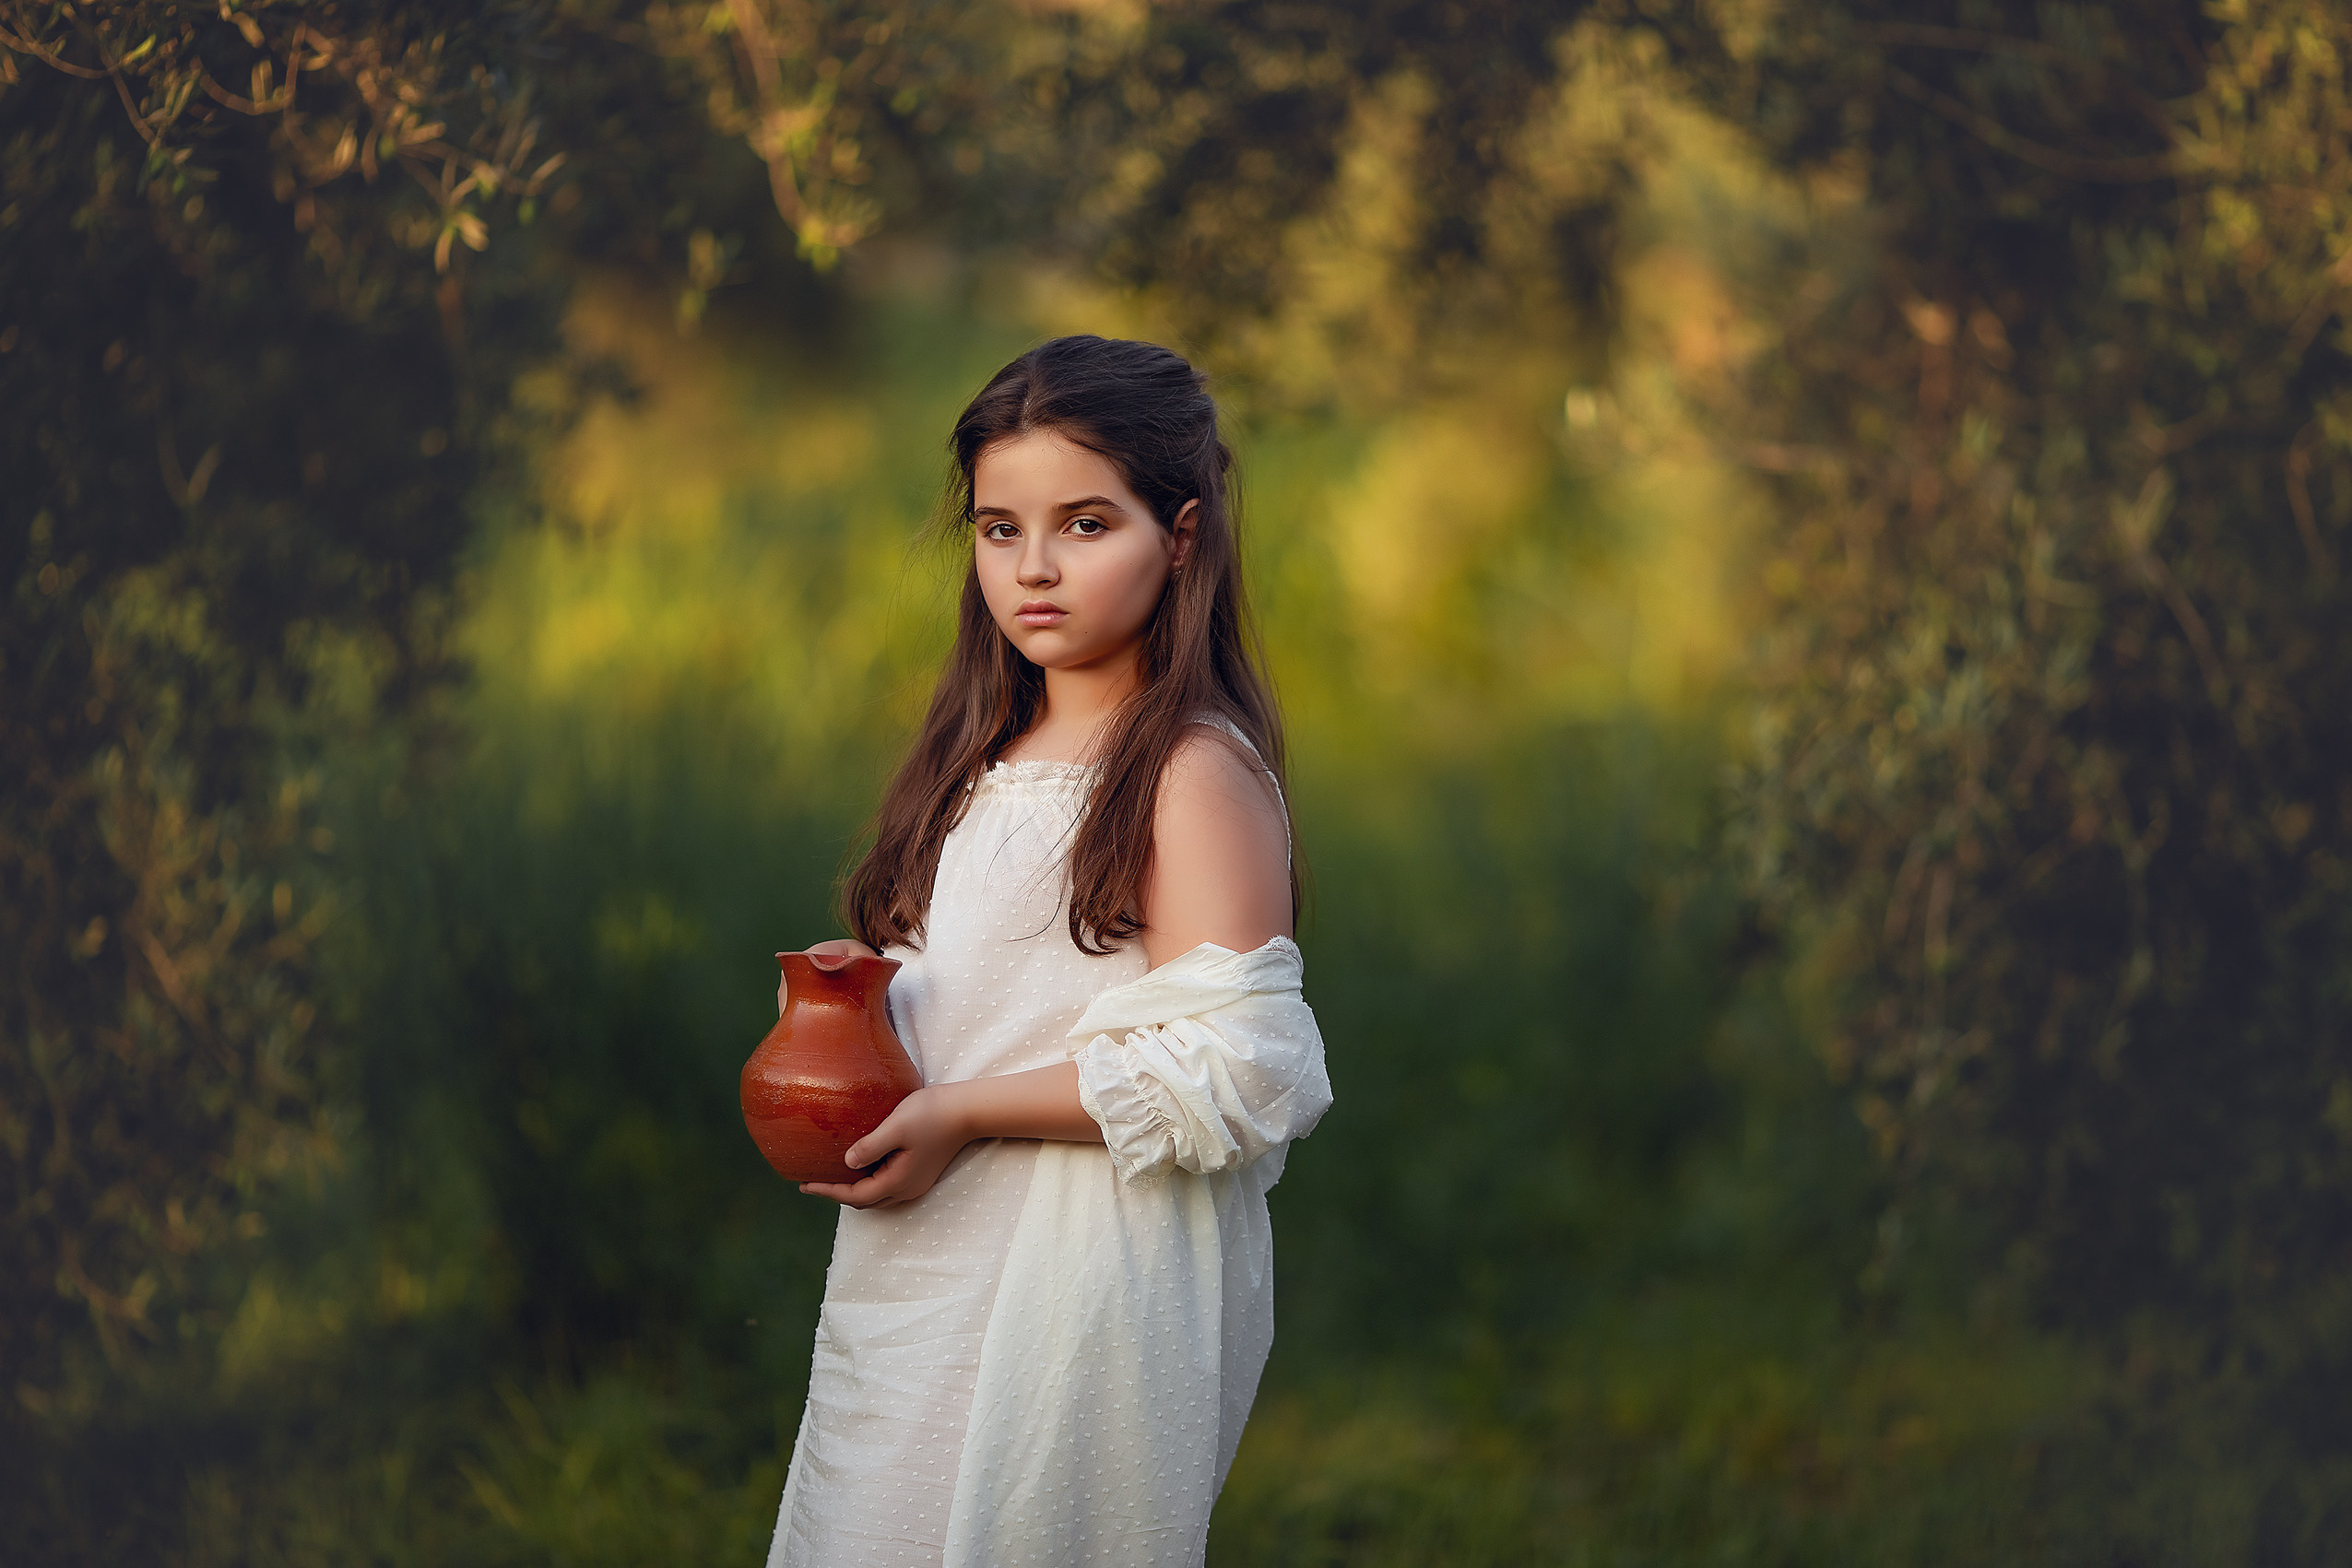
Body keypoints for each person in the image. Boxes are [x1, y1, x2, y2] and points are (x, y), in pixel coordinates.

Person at [763, 335, 1334, 1567]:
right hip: (930, 1257)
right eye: (997, 528)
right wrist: (860, 1001)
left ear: (1180, 536)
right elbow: (995, 993)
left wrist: (966, 1111)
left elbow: (1244, 1069)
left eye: (1084, 524)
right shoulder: (977, 764)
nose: (1032, 569)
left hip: (1078, 1281)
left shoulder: (1190, 770)